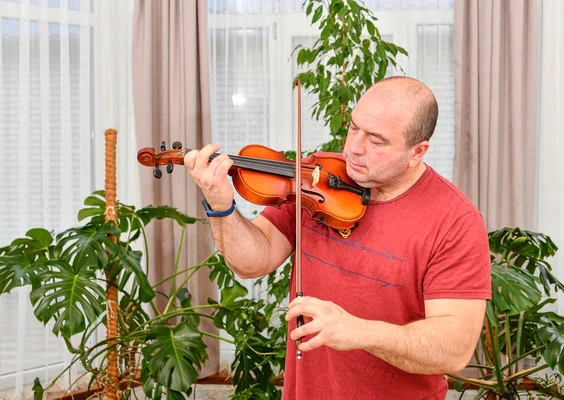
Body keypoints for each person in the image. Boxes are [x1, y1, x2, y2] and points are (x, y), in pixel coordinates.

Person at [184, 76, 491, 399]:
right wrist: (221, 205)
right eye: (355, 128)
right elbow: (252, 261)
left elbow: (453, 350)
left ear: (417, 151)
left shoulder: (455, 221)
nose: (354, 148)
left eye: (376, 140)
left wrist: (357, 330)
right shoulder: (318, 179)